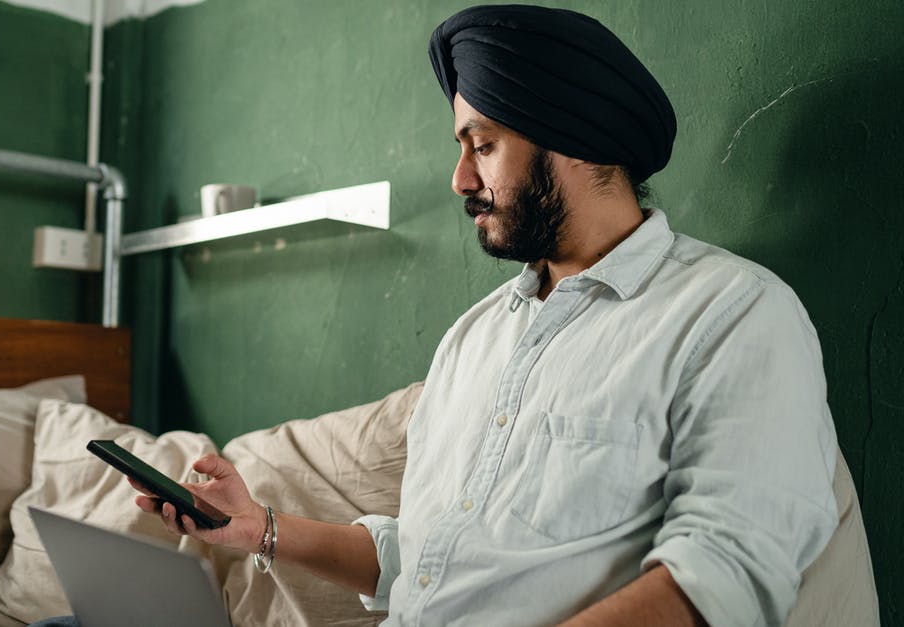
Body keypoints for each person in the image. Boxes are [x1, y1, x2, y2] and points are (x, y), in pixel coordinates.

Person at [134, 5, 839, 626]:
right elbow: (420, 560)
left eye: (485, 144)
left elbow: (723, 579)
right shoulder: (473, 338)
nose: (460, 179)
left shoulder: (732, 314)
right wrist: (256, 526)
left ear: (573, 137)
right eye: (462, 147)